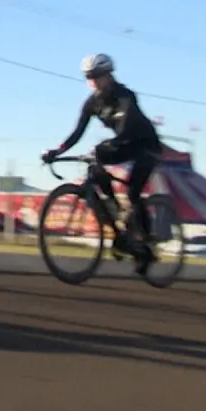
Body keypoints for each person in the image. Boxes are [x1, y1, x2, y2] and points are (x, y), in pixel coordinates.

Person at [40, 53, 162, 273]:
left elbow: (127, 126)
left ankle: (145, 241)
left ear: (108, 74)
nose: (93, 81)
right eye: (88, 76)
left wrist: (107, 144)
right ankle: (116, 219)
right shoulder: (92, 102)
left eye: (97, 75)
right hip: (122, 144)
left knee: (133, 192)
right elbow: (77, 132)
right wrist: (56, 151)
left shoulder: (125, 96)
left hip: (145, 146)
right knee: (96, 168)